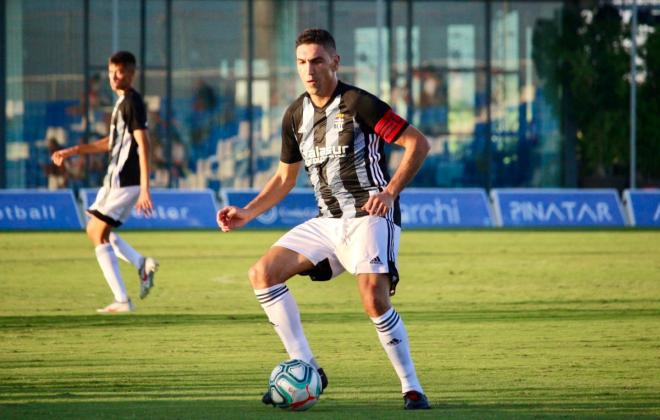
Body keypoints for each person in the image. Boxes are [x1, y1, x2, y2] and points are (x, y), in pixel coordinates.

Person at [217, 29, 431, 410]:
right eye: (301, 62)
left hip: (369, 216)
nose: (309, 69)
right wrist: (247, 212)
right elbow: (285, 179)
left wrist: (390, 191)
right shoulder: (295, 115)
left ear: (335, 62)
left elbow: (418, 143)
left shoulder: (358, 103)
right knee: (262, 273)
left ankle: (411, 386)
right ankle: (309, 367)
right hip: (326, 221)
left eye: (317, 60)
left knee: (373, 300)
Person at [52, 51, 159, 313]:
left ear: (131, 74)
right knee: (96, 230)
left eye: (120, 72)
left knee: (96, 232)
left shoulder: (133, 102)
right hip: (114, 180)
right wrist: (73, 150)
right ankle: (140, 264)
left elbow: (143, 145)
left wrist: (145, 187)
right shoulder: (121, 103)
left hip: (126, 180)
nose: (114, 76)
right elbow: (111, 143)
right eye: (112, 71)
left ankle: (123, 299)